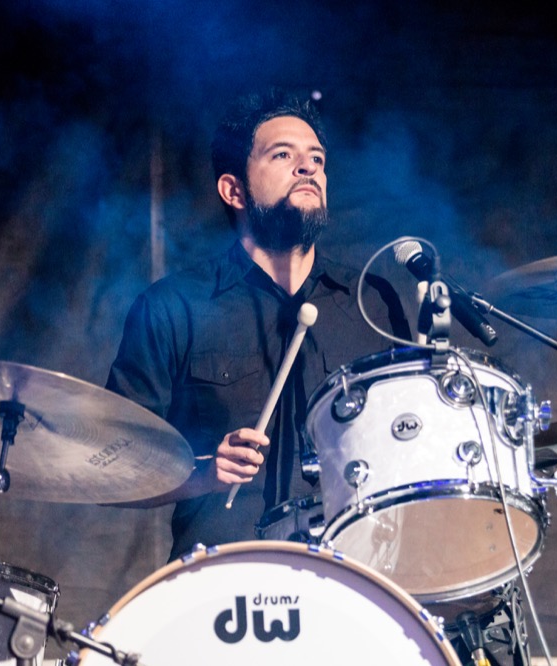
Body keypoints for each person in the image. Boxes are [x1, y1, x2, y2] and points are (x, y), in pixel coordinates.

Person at [105, 89, 410, 561]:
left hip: (356, 576)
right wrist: (204, 473)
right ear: (234, 190)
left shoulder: (373, 303)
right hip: (223, 578)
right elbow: (111, 465)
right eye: (283, 155)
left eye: (317, 159)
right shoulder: (172, 307)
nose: (307, 168)